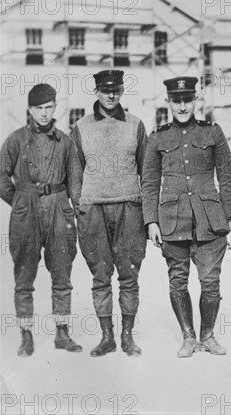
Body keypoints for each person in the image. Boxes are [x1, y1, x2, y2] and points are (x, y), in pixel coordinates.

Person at [141, 76, 231, 358]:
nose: (182, 106)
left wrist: (228, 214)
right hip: (172, 220)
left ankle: (208, 335)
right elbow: (149, 182)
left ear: (196, 101)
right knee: (177, 281)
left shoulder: (213, 132)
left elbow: (227, 173)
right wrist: (151, 221)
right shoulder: (158, 137)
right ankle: (188, 336)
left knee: (210, 281)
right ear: (168, 102)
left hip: (210, 220)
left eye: (187, 100)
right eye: (176, 101)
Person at [0, 84, 82, 356]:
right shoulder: (16, 140)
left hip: (59, 210)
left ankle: (62, 333)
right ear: (29, 110)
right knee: (24, 277)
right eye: (38, 109)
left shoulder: (66, 142)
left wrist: (69, 207)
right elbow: (1, 177)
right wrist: (21, 202)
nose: (44, 114)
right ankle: (26, 336)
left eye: (48, 108)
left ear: (55, 107)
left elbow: (75, 182)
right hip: (26, 213)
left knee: (62, 274)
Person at [71, 70, 147, 357]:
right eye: (105, 90)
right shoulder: (81, 126)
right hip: (93, 211)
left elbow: (148, 171)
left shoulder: (136, 125)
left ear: (122, 90)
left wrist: (145, 209)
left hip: (129, 207)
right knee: (101, 276)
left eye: (115, 89)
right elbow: (74, 171)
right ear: (97, 92)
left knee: (129, 275)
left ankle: (127, 336)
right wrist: (81, 205)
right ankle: (107, 337)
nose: (111, 95)